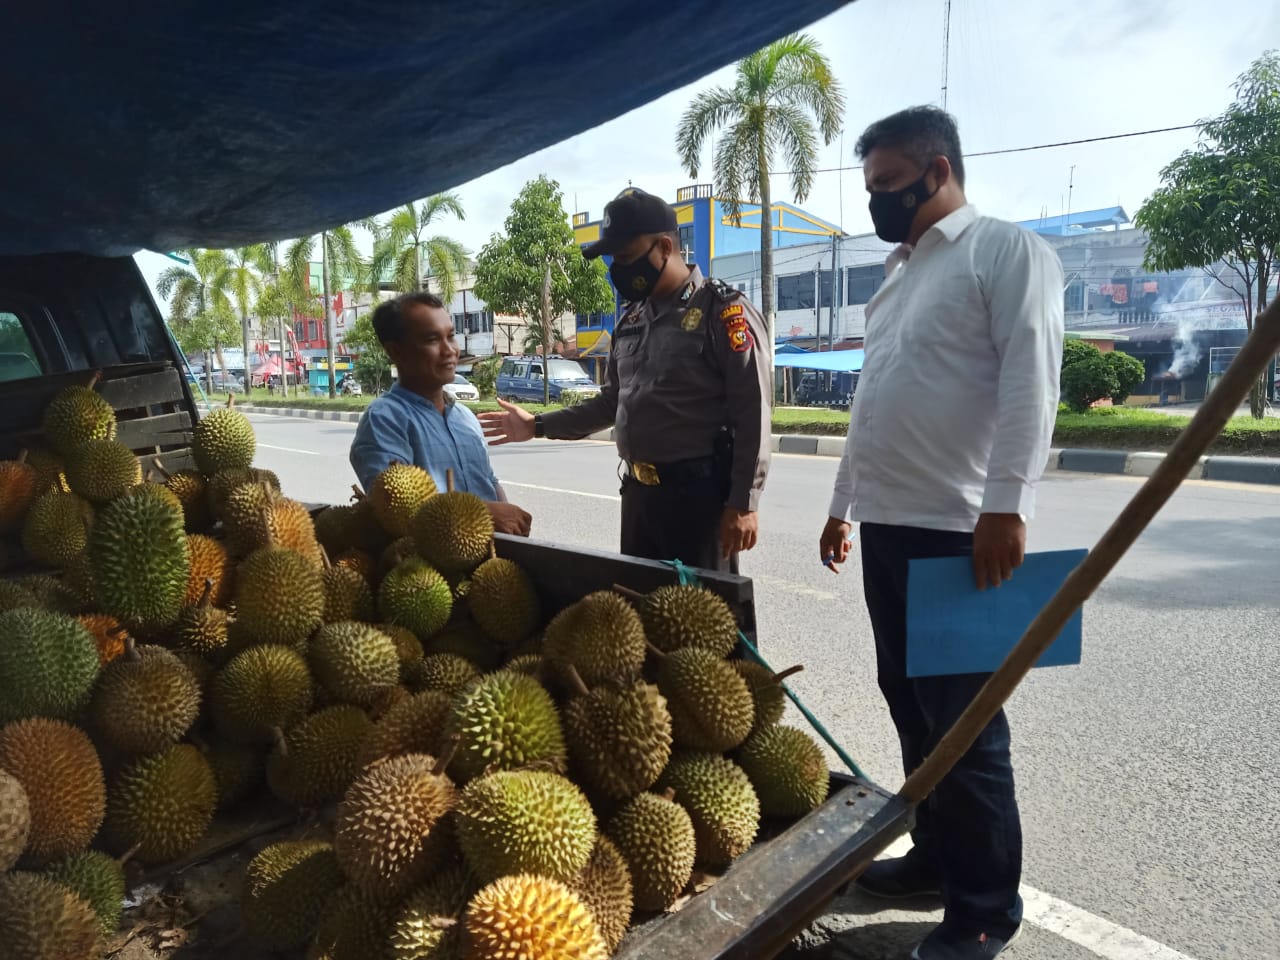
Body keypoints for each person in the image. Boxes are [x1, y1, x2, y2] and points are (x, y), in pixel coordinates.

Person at [819, 107, 1063, 960]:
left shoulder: (1005, 252)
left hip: (963, 532)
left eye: (888, 184)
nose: (879, 201)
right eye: (873, 187)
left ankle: (987, 906)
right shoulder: (897, 274)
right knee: (915, 713)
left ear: (938, 169)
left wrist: (1008, 505)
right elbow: (872, 406)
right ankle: (935, 858)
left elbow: (1033, 380)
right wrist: (842, 504)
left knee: (969, 730)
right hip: (889, 527)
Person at [477, 187, 771, 572]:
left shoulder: (723, 311)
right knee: (639, 613)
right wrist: (537, 425)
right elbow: (611, 402)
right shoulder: (631, 321)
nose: (619, 268)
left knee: (703, 620)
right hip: (639, 498)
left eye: (628, 257)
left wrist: (743, 503)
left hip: (699, 500)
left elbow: (753, 410)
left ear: (665, 247)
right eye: (614, 259)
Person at [349, 292, 532, 537]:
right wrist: (484, 514)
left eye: (450, 336)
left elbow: (488, 480)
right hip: (430, 568)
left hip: (491, 558)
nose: (449, 350)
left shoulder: (465, 418)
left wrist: (509, 521)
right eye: (432, 339)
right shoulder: (385, 420)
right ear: (396, 352)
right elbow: (393, 507)